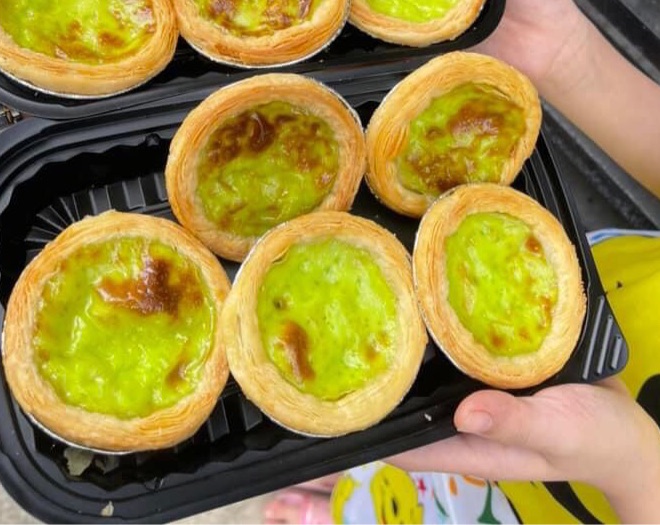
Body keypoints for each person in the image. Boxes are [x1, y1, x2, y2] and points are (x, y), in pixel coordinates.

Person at [264, 0, 660, 522]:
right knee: (379, 476)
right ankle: (351, 492)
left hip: (558, 458)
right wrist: (566, 57)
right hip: (585, 278)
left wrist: (635, 469)